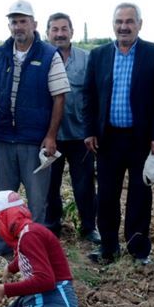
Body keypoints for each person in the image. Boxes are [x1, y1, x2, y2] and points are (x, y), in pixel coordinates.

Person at [83, 2, 154, 265]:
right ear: (113, 24)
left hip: (140, 139)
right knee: (107, 195)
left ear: (139, 24)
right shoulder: (98, 55)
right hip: (107, 139)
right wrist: (89, 131)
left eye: (129, 21)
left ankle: (138, 249)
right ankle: (109, 248)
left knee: (140, 196)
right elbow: (88, 96)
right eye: (119, 21)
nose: (124, 26)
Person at [0, 0, 70, 258]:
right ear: (8, 25)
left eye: (23, 21)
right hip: (5, 138)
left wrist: (51, 135)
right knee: (3, 197)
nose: (18, 26)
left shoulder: (48, 55)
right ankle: (1, 247)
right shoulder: (0, 54)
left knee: (37, 199)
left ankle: (34, 250)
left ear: (34, 24)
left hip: (35, 141)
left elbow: (59, 97)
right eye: (14, 22)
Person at [44, 13, 100, 244]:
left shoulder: (86, 59)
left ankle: (89, 227)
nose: (59, 33)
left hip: (80, 135)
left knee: (85, 184)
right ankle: (50, 226)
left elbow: (95, 95)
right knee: (49, 185)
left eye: (64, 29)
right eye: (55, 29)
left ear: (72, 32)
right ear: (48, 33)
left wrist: (93, 129)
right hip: (50, 136)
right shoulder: (42, 58)